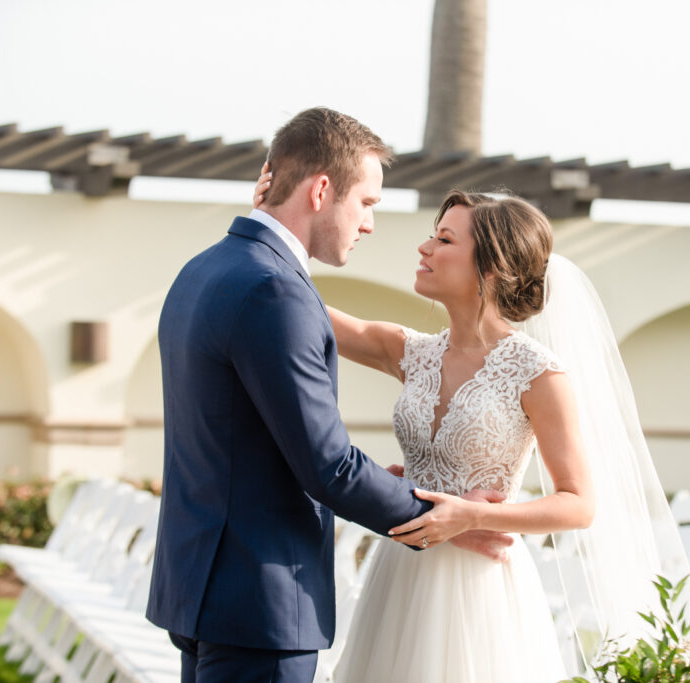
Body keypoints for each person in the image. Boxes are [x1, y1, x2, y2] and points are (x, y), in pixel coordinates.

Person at [253, 171, 690, 681]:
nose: (424, 247)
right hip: (402, 571)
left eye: (444, 239)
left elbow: (578, 503)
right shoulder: (412, 352)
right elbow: (295, 302)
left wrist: (471, 515)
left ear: (492, 269)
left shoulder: (538, 372)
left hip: (480, 589)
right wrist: (272, 221)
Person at [146, 107, 506, 683]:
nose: (369, 225)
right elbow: (328, 466)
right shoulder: (274, 291)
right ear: (321, 190)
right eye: (367, 203)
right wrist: (442, 517)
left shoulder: (204, 270)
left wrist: (391, 486)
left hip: (201, 588)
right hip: (259, 601)